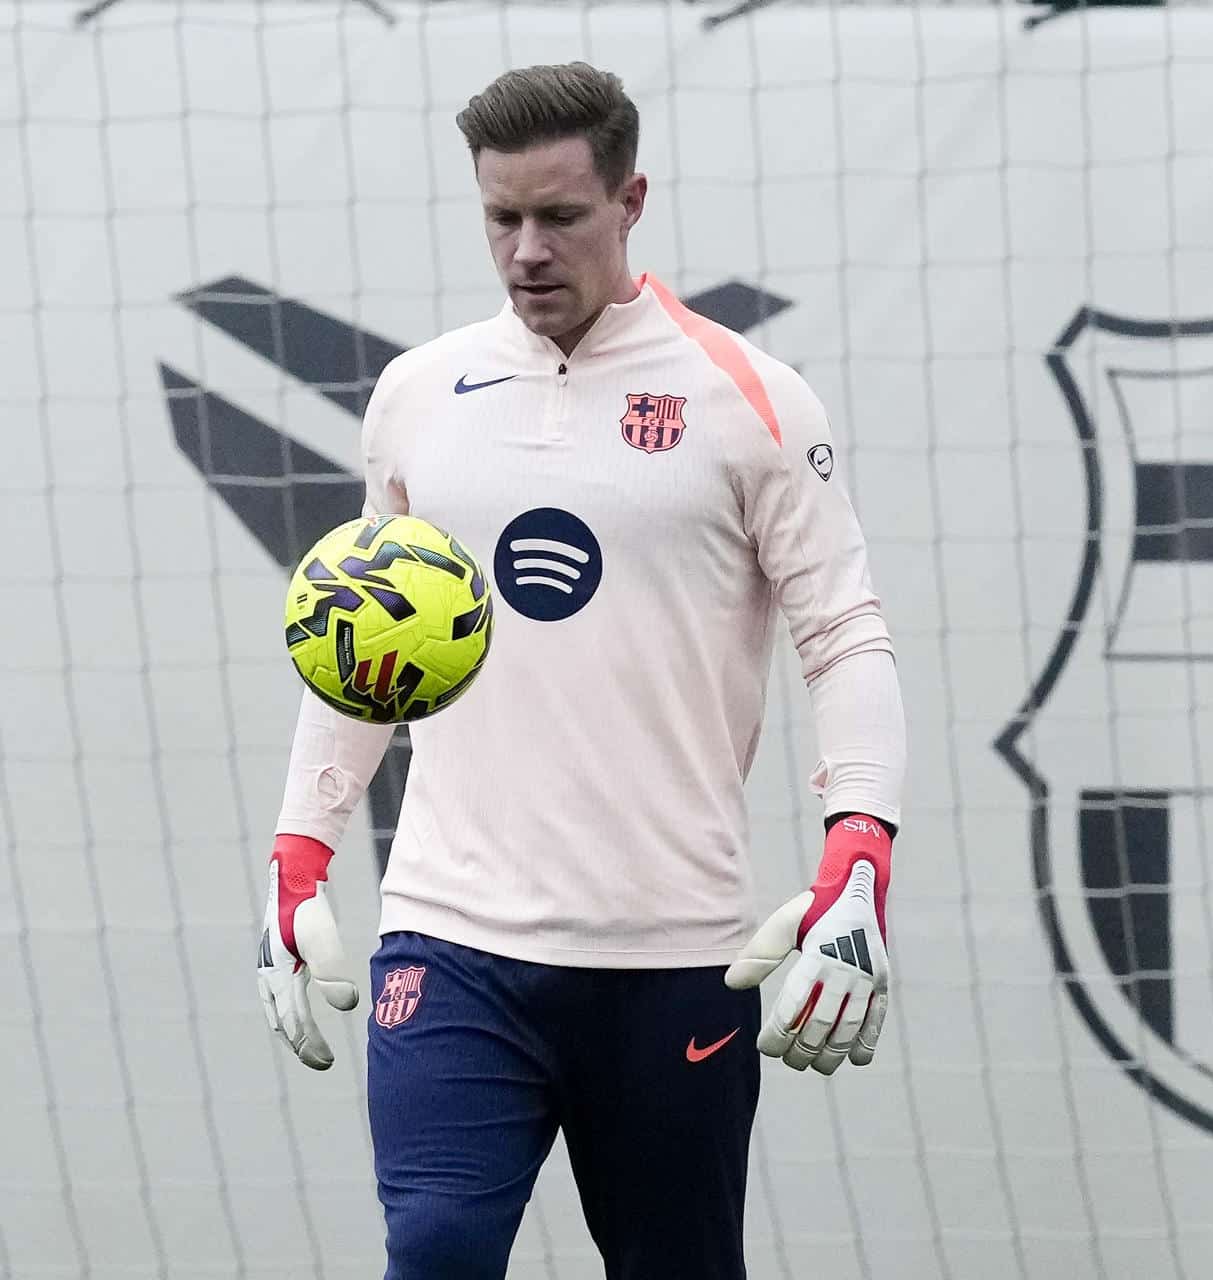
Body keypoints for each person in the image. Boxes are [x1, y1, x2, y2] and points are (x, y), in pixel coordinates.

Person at [252, 61, 906, 1280]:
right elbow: (363, 648)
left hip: (674, 958)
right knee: (437, 1251)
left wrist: (857, 861)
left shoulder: (749, 399)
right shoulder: (417, 396)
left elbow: (846, 635)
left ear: (631, 198)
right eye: (502, 216)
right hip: (451, 940)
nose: (527, 250)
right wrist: (298, 858)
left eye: (560, 215)